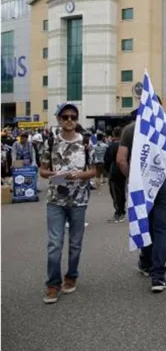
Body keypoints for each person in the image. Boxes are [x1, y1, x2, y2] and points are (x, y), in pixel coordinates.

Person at [116, 102, 166, 293]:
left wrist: (132, 179)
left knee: (146, 224)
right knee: (163, 229)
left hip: (141, 185)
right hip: (165, 182)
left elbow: (120, 160)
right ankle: (158, 276)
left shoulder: (131, 129)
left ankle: (145, 262)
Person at [39, 103, 97, 304]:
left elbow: (94, 171)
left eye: (73, 117)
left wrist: (80, 175)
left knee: (75, 243)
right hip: (55, 200)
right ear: (59, 119)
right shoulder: (51, 142)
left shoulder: (87, 142)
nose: (69, 120)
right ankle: (53, 285)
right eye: (65, 117)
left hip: (79, 201)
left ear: (77, 119)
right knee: (54, 244)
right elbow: (42, 170)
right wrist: (55, 174)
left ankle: (71, 276)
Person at [103, 127, 126, 223]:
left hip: (114, 172)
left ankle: (119, 212)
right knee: (122, 192)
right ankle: (122, 211)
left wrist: (107, 172)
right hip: (123, 172)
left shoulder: (111, 147)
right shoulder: (125, 146)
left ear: (113, 134)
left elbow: (106, 161)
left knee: (115, 194)